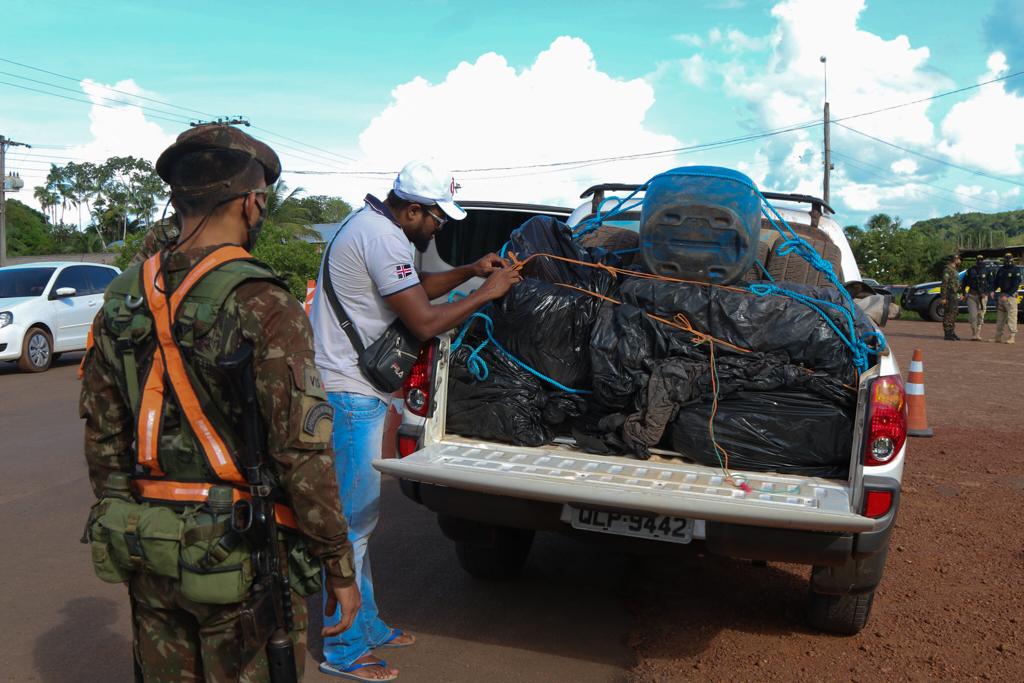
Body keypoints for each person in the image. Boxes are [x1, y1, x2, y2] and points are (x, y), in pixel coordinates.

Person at [80, 124, 361, 681]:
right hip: (240, 553)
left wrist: (129, 521)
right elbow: (301, 452)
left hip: (147, 541)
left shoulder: (124, 296)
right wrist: (338, 565)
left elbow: (102, 432)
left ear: (180, 199)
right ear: (252, 203)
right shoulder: (264, 300)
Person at [309, 159, 522, 680]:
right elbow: (424, 321)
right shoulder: (381, 238)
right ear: (410, 210)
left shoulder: (376, 228)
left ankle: (370, 624)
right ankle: (343, 651)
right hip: (351, 395)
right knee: (352, 527)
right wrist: (484, 295)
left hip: (358, 392)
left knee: (363, 521)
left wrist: (471, 270)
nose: (439, 227)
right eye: (435, 218)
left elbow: (417, 287)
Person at [993, 252, 1021, 344]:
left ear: (1012, 260)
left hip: (1010, 297)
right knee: (1000, 319)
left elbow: (1016, 285)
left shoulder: (1015, 270)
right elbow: (996, 282)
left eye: (1009, 259)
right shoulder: (1001, 270)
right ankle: (998, 337)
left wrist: (1008, 294)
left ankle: (1012, 337)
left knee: (1011, 317)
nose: (1007, 261)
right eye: (1006, 259)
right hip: (1002, 296)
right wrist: (992, 290)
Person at [963, 254, 992, 341]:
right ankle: (974, 334)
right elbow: (964, 282)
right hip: (972, 296)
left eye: (981, 259)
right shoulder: (971, 270)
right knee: (973, 316)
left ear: (983, 260)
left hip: (982, 297)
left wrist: (986, 293)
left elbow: (991, 284)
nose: (979, 261)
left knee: (981, 315)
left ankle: (978, 333)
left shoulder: (987, 271)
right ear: (976, 260)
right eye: (978, 260)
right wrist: (964, 293)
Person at [940, 254, 962, 341]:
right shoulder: (947, 270)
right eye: (959, 259)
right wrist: (943, 297)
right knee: (948, 313)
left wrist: (959, 294)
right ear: (955, 260)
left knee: (954, 313)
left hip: (954, 295)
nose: (960, 261)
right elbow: (944, 284)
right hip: (949, 295)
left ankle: (952, 332)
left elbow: (957, 284)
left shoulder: (954, 270)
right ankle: (947, 333)